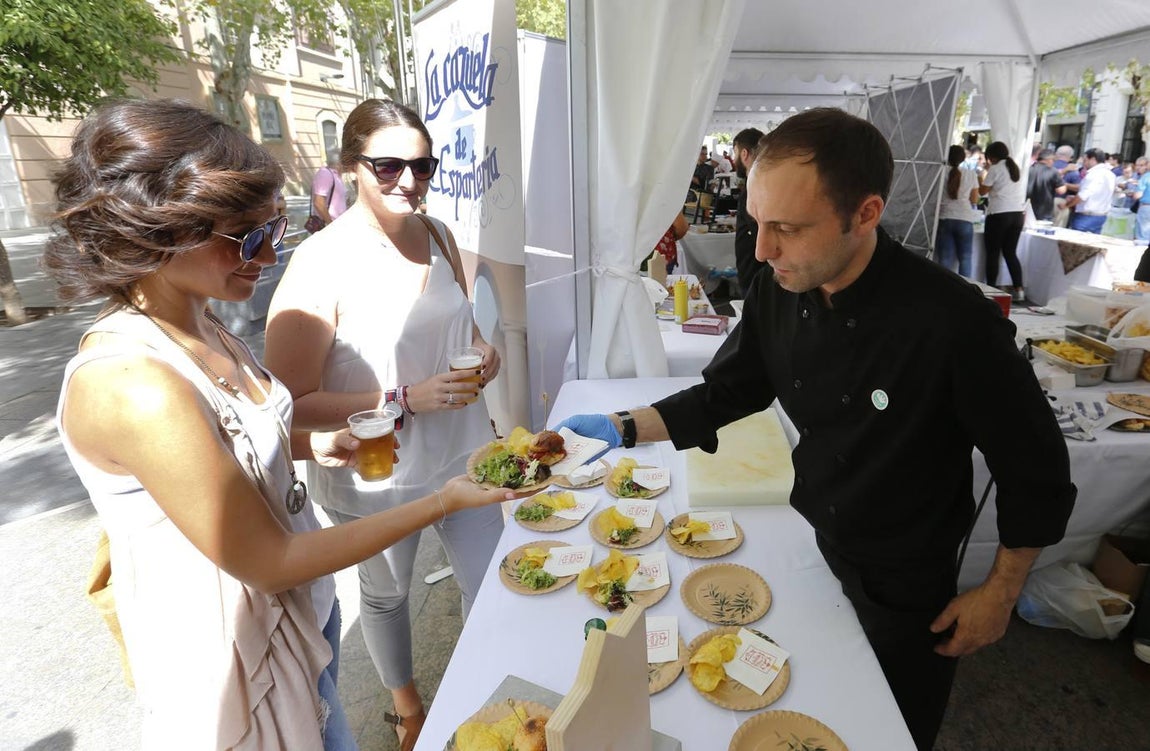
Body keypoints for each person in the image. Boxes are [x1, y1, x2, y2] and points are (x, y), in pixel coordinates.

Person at [555, 108, 1075, 751]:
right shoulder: (781, 285)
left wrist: (1000, 590)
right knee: (802, 711)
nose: (764, 249)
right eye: (757, 224)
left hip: (907, 581)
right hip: (813, 539)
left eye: (788, 229)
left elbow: (1037, 468)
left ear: (865, 213)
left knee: (888, 731)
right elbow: (729, 388)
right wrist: (621, 426)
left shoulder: (952, 323)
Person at [43, 99, 520, 751]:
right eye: (246, 235)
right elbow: (269, 561)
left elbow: (229, 440)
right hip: (233, 674)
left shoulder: (198, 322)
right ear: (156, 229)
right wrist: (440, 497)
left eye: (275, 229)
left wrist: (308, 439)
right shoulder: (134, 384)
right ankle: (408, 709)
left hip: (296, 632)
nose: (268, 254)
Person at [264, 99, 505, 751]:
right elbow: (283, 402)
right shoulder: (319, 261)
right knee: (388, 594)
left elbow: (470, 333)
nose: (410, 180)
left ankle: (495, 694)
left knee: (493, 587)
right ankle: (408, 708)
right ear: (349, 168)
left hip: (467, 456)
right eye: (389, 164)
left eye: (422, 165)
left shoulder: (441, 237)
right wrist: (403, 397)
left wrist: (486, 354)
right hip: (379, 475)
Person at [979, 141, 1027, 301]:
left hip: (999, 214)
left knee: (993, 253)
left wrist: (983, 174)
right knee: (1010, 253)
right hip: (1017, 214)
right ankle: (1019, 289)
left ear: (991, 156)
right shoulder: (1014, 167)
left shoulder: (995, 168)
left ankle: (991, 288)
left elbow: (982, 191)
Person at [731, 127, 768, 294]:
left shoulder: (756, 187)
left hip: (756, 273)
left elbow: (759, 231)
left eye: (735, 152)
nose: (734, 158)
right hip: (757, 272)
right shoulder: (761, 184)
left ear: (744, 153)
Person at [936, 144, 980, 277]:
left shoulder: (941, 172)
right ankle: (966, 290)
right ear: (963, 158)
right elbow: (974, 200)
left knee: (944, 259)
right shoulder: (971, 174)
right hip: (965, 218)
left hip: (945, 217)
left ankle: (944, 289)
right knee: (965, 259)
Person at [1066, 148, 1117, 234]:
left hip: (1086, 216)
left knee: (1077, 244)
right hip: (1101, 215)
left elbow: (1082, 196)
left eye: (1085, 160)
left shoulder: (1093, 175)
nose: (1084, 163)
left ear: (1093, 159)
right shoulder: (1110, 174)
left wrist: (1066, 205)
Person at [1026, 148, 1067, 222]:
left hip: (1027, 210)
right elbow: (1061, 190)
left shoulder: (1028, 169)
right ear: (1049, 159)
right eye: (1053, 160)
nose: (1053, 162)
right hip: (1044, 212)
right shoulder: (1052, 171)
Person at [311, 149, 348, 227]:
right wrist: (331, 224)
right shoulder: (325, 173)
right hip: (328, 225)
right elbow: (318, 202)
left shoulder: (336, 175)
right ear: (339, 163)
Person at [1127, 157, 1150, 242]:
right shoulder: (1139, 176)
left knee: (1142, 238)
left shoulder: (1145, 177)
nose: (1138, 167)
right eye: (1137, 165)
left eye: (1141, 165)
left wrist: (1133, 194)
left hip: (1145, 208)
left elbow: (1137, 195)